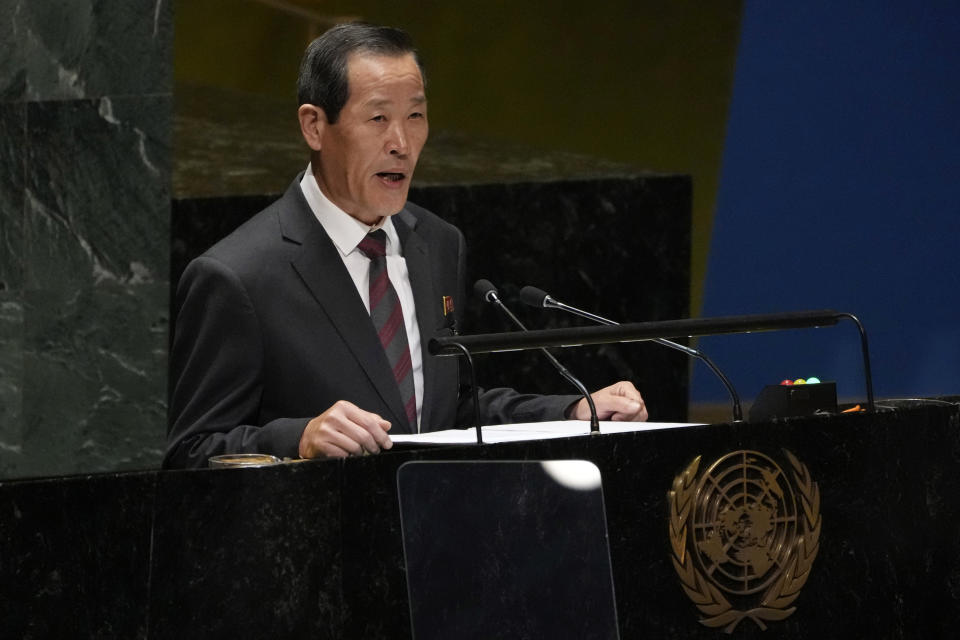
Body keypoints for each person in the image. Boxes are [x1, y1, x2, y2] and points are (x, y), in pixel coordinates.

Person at [164, 23, 647, 469]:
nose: (402, 143)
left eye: (415, 116)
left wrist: (570, 409)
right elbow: (191, 452)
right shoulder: (237, 276)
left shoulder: (436, 243)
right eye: (378, 118)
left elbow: (447, 410)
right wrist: (299, 439)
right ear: (314, 126)